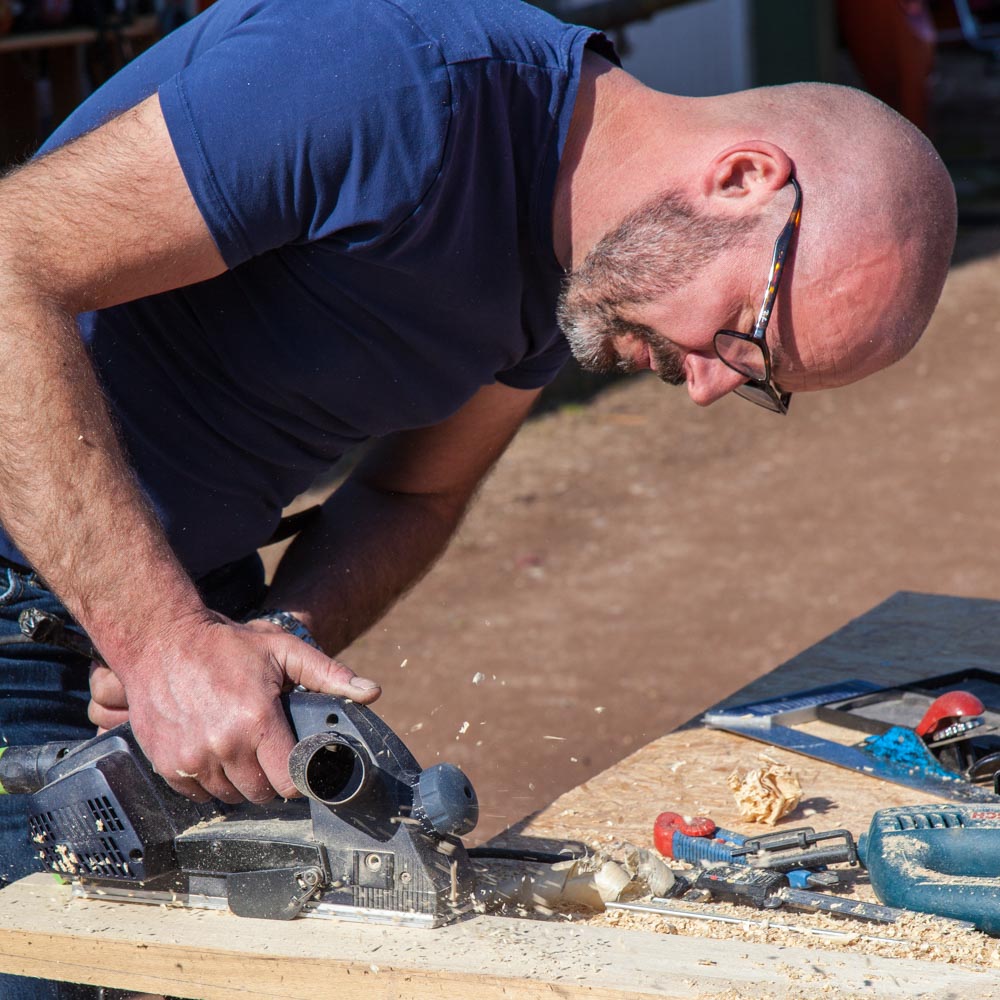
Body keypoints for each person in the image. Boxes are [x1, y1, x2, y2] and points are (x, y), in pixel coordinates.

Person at [0, 0, 955, 995]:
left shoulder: (573, 265)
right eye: (747, 339)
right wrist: (161, 639)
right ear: (742, 179)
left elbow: (417, 491)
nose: (712, 385)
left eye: (757, 381)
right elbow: (7, 262)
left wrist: (266, 643)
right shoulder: (389, 82)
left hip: (170, 598)